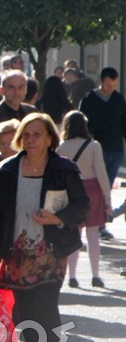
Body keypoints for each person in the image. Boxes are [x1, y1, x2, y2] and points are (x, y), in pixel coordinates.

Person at [0, 112, 88, 342]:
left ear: (50, 138)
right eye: (26, 135)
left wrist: (56, 218)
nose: (31, 140)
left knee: (46, 308)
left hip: (50, 251)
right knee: (24, 314)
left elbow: (81, 205)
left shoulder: (63, 168)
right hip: (16, 253)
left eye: (37, 134)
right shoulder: (8, 169)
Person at [57, 111, 110, 288]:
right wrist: (108, 200)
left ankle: (72, 276)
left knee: (74, 233)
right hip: (93, 190)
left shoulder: (62, 147)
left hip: (71, 190)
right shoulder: (94, 146)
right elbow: (102, 174)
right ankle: (95, 275)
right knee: (93, 234)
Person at [79, 66, 126, 241]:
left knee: (106, 188)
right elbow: (82, 123)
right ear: (101, 82)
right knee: (95, 187)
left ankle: (101, 225)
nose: (110, 89)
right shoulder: (89, 99)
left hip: (115, 150)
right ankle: (92, 223)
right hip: (95, 149)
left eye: (113, 85)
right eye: (107, 85)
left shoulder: (119, 99)